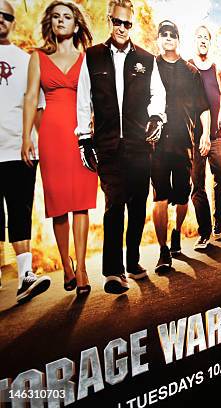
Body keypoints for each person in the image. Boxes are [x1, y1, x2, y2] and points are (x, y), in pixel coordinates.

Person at [75, 0, 167, 294]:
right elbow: (82, 101)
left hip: (140, 145)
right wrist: (84, 139)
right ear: (109, 20)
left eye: (127, 24)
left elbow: (158, 95)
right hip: (108, 145)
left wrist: (157, 117)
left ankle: (133, 260)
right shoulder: (92, 57)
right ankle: (113, 271)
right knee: (114, 204)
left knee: (138, 205)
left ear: (132, 25)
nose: (122, 28)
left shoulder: (146, 59)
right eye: (117, 22)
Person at [22, 0, 96, 296]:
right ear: (50, 23)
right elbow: (30, 97)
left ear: (77, 24)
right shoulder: (37, 57)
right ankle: (66, 265)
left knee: (81, 201)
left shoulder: (88, 58)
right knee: (58, 204)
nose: (61, 21)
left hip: (80, 135)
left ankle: (80, 269)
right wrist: (26, 137)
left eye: (67, 17)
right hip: (51, 135)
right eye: (56, 17)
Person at [0, 0, 50, 302]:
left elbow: (40, 109)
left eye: (6, 16)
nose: (1, 21)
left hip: (20, 150)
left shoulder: (26, 60)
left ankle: (24, 277)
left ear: (13, 22)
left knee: (20, 213)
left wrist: (46, 147)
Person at [151, 20, 209, 270]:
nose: (167, 38)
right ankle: (163, 250)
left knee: (183, 196)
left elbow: (203, 107)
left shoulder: (191, 71)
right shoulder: (151, 67)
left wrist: (205, 134)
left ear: (178, 38)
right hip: (157, 145)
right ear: (158, 39)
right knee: (160, 197)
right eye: (163, 34)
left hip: (186, 143)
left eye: (172, 34)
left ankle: (176, 232)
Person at [190, 23, 221, 249]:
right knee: (197, 186)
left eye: (205, 38)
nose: (202, 40)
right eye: (198, 37)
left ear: (209, 42)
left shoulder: (216, 70)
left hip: (215, 136)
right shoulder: (188, 68)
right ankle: (204, 231)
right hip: (193, 139)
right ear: (194, 40)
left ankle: (218, 219)